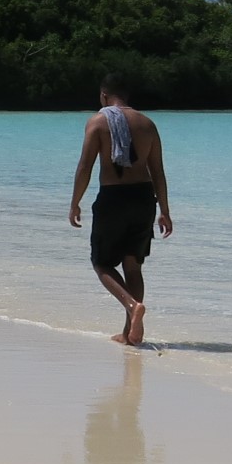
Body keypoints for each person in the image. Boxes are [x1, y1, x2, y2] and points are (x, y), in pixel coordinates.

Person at [69, 74, 171, 346]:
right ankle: (131, 334)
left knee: (101, 263)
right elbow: (158, 172)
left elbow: (85, 167)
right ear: (127, 96)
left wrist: (75, 202)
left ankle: (131, 305)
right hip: (143, 198)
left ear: (104, 95)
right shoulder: (148, 124)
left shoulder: (98, 121)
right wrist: (165, 210)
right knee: (132, 266)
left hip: (114, 197)